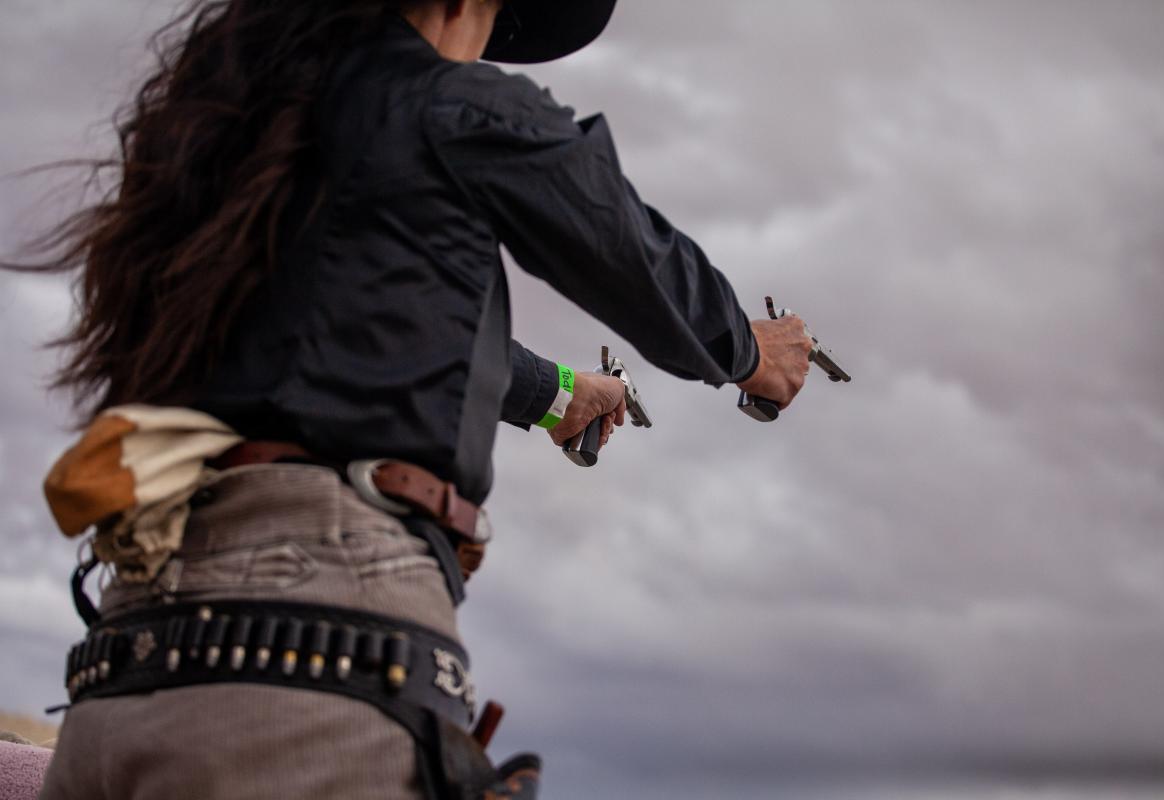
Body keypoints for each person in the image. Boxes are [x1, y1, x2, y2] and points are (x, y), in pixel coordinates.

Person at [20, 0, 811, 797]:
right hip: (310, 657)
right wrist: (749, 352)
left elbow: (376, 324)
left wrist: (561, 395)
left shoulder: (224, 138)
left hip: (124, 661)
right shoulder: (446, 101)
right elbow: (624, 245)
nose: (480, 54)